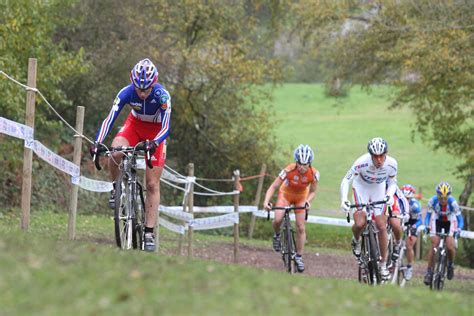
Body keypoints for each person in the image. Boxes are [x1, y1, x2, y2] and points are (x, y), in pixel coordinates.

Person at [90, 58, 171, 252]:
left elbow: (167, 126)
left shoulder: (162, 96)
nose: (142, 93)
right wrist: (96, 142)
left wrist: (155, 142)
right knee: (115, 152)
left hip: (156, 133)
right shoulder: (126, 93)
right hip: (133, 127)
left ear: (154, 84)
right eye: (139, 89)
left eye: (146, 89)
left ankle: (149, 232)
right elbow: (110, 118)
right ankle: (116, 188)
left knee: (152, 184)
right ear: (133, 83)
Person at [340, 137, 398, 280]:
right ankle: (356, 239)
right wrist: (344, 199)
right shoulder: (361, 162)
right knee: (360, 223)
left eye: (381, 156)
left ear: (386, 154)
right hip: (361, 188)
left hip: (378, 188)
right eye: (375, 156)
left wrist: (390, 195)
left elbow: (392, 182)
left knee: (382, 226)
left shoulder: (392, 164)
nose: (379, 160)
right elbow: (346, 179)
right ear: (370, 155)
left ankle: (383, 265)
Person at [263, 144, 320, 273]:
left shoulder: (314, 174)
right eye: (300, 163)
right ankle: (277, 235)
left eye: (305, 164)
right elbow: (273, 186)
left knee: (300, 227)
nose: (302, 167)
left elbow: (313, 192)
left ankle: (299, 256)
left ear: (310, 164)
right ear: (296, 162)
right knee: (278, 219)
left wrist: (307, 201)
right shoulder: (288, 170)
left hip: (301, 197)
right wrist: (266, 202)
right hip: (285, 195)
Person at [423, 182, 464, 285]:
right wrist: (427, 226)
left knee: (450, 246)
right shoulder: (432, 201)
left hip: (450, 221)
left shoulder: (453, 203)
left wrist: (459, 229)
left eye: (445, 198)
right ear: (437, 195)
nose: (443, 200)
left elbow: (460, 219)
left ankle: (450, 265)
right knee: (434, 245)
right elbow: (428, 216)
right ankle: (428, 272)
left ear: (449, 196)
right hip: (437, 221)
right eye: (441, 197)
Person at [400, 184, 422, 281]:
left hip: (412, 223)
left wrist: (414, 227)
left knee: (409, 246)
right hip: (401, 220)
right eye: (404, 197)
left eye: (408, 198)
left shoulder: (415, 206)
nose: (406, 200)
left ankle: (409, 267)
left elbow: (420, 220)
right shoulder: (398, 203)